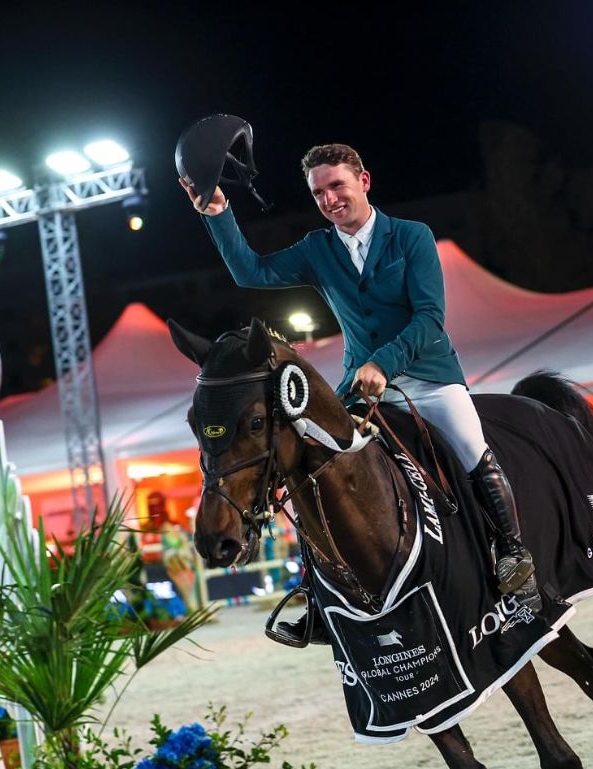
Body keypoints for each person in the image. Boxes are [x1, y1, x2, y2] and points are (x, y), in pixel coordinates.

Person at [180, 143, 541, 620]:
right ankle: (317, 592)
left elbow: (429, 317)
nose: (329, 199)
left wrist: (383, 363)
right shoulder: (317, 249)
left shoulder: (411, 236)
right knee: (307, 467)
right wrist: (218, 213)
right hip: (358, 387)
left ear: (363, 181)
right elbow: (251, 271)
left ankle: (514, 557)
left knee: (473, 451)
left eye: (337, 186)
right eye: (318, 193)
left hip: (430, 379)